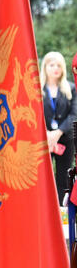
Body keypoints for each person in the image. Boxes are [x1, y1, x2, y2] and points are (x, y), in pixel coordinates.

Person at [41, 52, 77, 204]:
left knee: (64, 176)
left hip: (65, 139)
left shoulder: (71, 88)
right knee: (43, 175)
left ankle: (62, 208)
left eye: (59, 65)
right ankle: (45, 207)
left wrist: (58, 132)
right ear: (45, 67)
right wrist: (46, 133)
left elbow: (74, 114)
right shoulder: (36, 89)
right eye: (52, 65)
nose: (56, 68)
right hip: (43, 139)